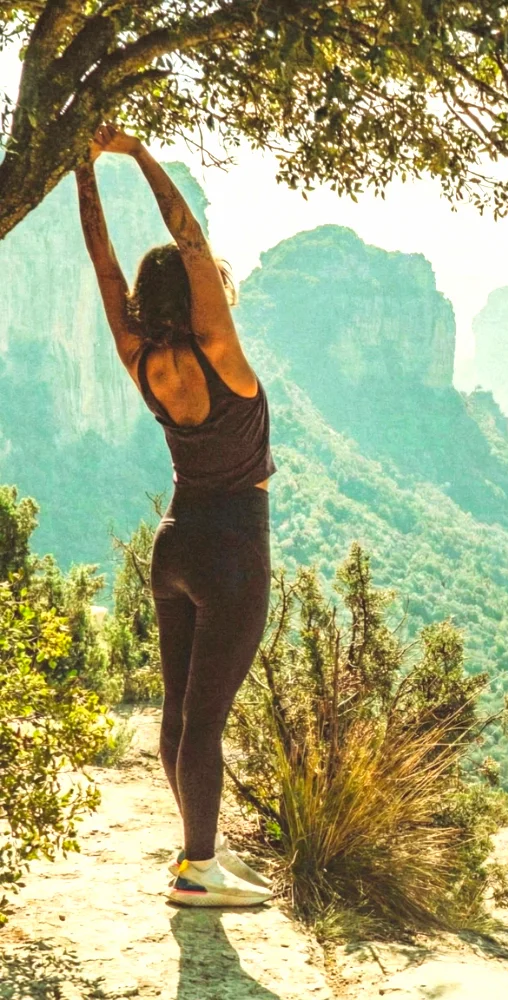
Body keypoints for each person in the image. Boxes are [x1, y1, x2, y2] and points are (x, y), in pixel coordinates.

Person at [76, 123, 277, 908]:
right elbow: (189, 235)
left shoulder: (140, 360)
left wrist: (83, 178)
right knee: (207, 718)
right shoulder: (220, 350)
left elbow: (102, 266)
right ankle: (199, 866)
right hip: (232, 548)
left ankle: (198, 851)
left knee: (179, 711)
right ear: (198, 294)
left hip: (173, 543)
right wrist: (135, 154)